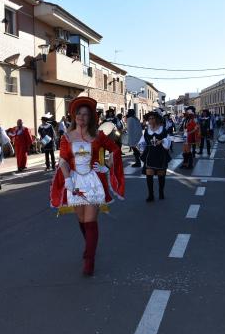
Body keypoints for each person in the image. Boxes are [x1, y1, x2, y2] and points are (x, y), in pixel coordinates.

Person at [49, 97, 124, 276]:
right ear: (74, 116)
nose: (82, 117)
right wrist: (67, 180)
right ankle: (90, 247)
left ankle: (89, 259)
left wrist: (106, 165)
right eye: (79, 114)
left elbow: (115, 149)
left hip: (93, 182)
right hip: (74, 181)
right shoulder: (66, 137)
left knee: (90, 222)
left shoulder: (98, 136)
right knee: (82, 221)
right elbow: (64, 160)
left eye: (86, 114)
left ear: (91, 118)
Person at [139, 111, 171, 201]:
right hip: (150, 154)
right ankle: (151, 195)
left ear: (156, 119)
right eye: (149, 119)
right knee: (149, 174)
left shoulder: (162, 129)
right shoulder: (147, 131)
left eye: (152, 118)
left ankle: (161, 191)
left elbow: (168, 140)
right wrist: (140, 148)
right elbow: (143, 141)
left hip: (160, 154)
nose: (150, 120)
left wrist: (162, 141)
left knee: (161, 175)